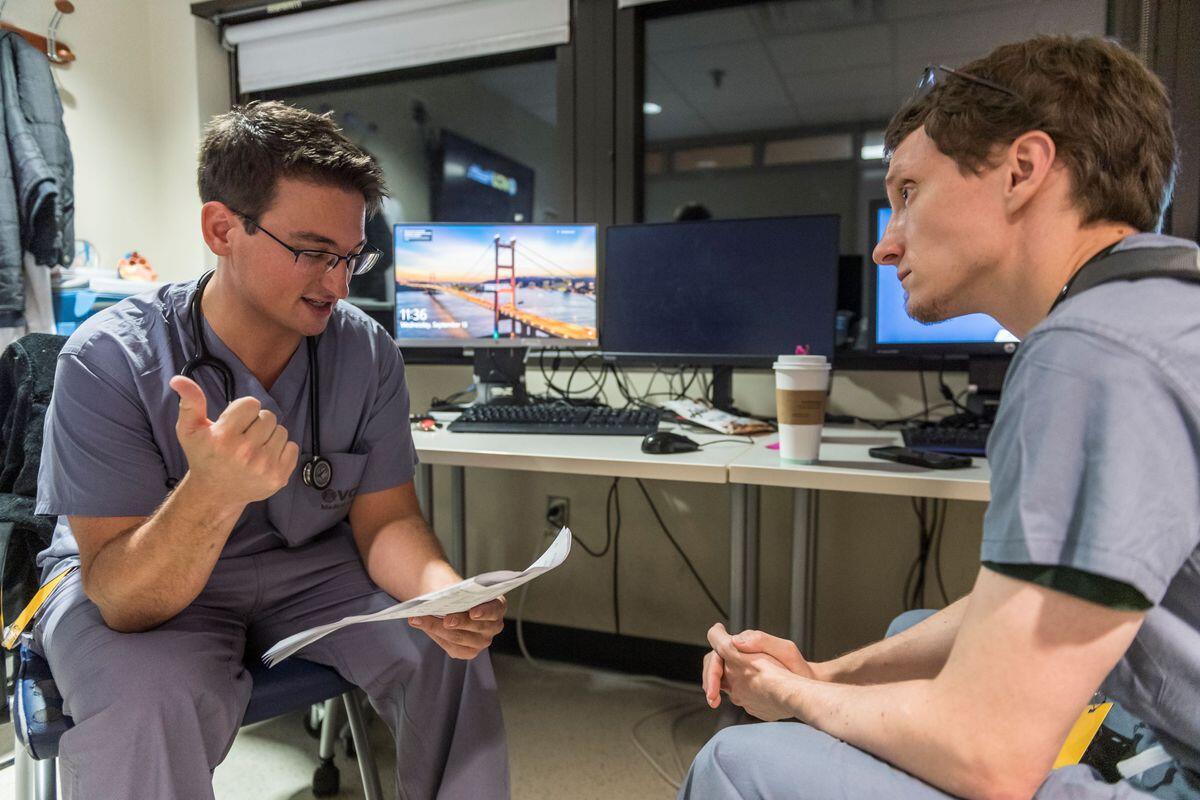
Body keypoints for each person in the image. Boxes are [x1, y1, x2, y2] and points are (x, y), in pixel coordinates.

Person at [682, 35, 1200, 800]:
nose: (886, 247)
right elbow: (1047, 597)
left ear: (1022, 171)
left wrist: (793, 701)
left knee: (736, 765)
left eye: (909, 192)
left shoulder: (1089, 353)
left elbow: (989, 756)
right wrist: (828, 674)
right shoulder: (1161, 309)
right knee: (908, 635)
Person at [31, 101, 509, 800]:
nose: (339, 285)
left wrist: (441, 592)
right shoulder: (108, 360)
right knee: (146, 704)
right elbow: (123, 600)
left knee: (449, 653)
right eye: (314, 253)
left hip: (308, 571)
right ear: (222, 228)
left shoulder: (364, 350)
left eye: (351, 257)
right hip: (136, 581)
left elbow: (387, 523)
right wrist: (212, 493)